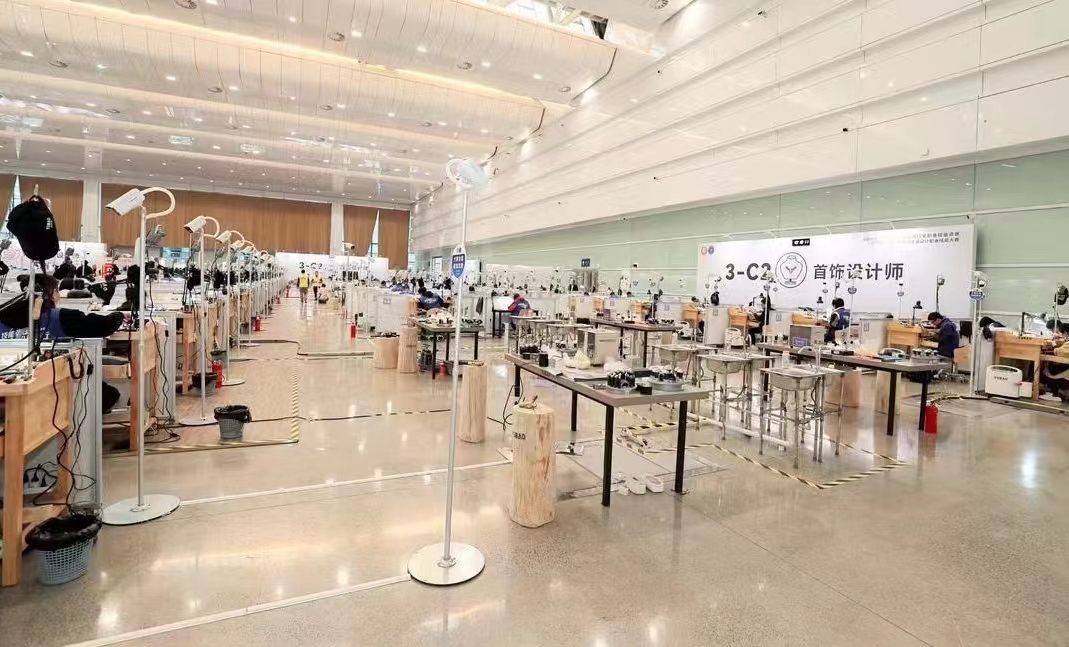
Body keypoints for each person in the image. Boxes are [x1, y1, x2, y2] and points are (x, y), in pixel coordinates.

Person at [0, 275, 125, 412]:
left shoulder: (2, 319)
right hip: (54, 388)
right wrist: (119, 315)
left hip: (9, 390)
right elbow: (104, 326)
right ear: (53, 293)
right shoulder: (61, 317)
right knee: (109, 395)